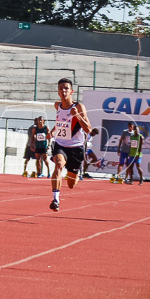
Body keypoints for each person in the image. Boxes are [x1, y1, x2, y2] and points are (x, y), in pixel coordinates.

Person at [48, 78, 92, 212]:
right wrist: (52, 132)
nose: (63, 90)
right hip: (60, 143)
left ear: (71, 91)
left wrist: (77, 116)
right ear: (58, 91)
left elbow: (88, 129)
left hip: (76, 147)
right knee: (59, 164)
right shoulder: (57, 105)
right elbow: (60, 122)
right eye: (61, 88)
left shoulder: (78, 107)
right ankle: (55, 199)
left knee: (71, 184)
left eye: (66, 88)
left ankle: (75, 173)